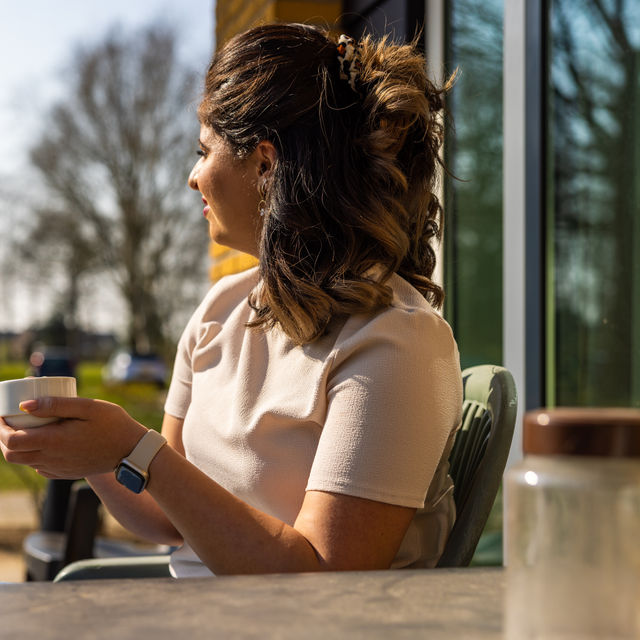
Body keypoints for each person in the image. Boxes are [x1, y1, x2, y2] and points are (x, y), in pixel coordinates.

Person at [0, 23, 462, 577]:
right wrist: (97, 453)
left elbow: (323, 578)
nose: (194, 178)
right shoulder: (221, 311)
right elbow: (166, 517)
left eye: (204, 150)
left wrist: (135, 450)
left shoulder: (394, 343)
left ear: (265, 166)